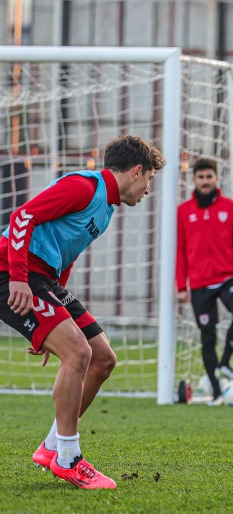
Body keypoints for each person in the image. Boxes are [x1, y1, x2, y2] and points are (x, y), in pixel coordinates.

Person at [0, 135, 165, 489]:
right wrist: (17, 280)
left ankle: (51, 446)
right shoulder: (83, 187)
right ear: (137, 171)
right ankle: (69, 458)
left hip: (45, 279)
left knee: (103, 358)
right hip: (11, 270)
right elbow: (20, 217)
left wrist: (50, 321)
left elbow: (67, 253)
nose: (148, 189)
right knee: (79, 352)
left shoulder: (106, 207)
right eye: (150, 179)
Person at [176, 157, 233, 405]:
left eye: (209, 177)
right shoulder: (184, 212)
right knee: (207, 336)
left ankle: (225, 361)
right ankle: (217, 391)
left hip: (228, 278)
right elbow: (180, 250)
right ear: (194, 180)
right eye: (201, 177)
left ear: (216, 178)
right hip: (199, 284)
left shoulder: (231, 208)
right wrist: (180, 285)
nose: (205, 181)